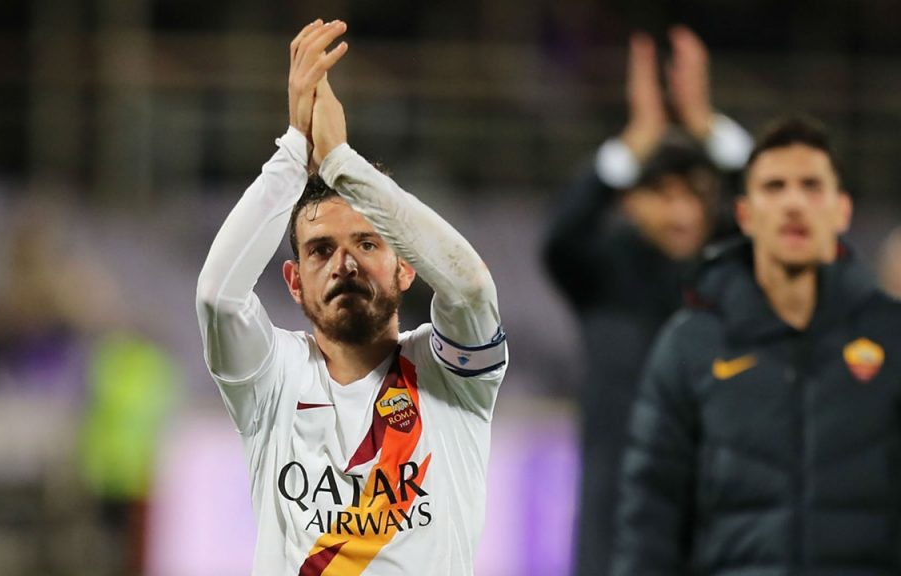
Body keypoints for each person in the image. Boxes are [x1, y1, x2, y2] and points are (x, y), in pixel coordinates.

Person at [195, 19, 507, 575]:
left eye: (367, 243)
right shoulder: (273, 380)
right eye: (321, 250)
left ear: (406, 267)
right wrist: (294, 150)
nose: (345, 263)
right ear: (294, 281)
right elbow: (219, 298)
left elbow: (471, 286)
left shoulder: (450, 377)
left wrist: (340, 161)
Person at [613, 115, 901, 575]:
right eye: (774, 187)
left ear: (842, 210)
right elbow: (650, 515)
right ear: (745, 215)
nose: (794, 203)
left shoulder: (891, 335)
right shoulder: (691, 345)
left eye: (811, 186)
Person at [541, 26, 752, 576]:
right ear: (631, 201)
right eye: (663, 194)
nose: (681, 211)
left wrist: (708, 128)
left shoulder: (731, 272)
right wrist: (632, 145)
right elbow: (560, 236)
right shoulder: (603, 271)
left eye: (694, 194)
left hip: (713, 522)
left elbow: (775, 216)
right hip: (616, 526)